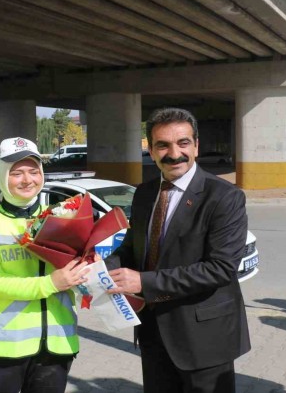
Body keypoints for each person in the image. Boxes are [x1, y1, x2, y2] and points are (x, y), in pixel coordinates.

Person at [105, 108, 250, 393]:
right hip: (153, 333)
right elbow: (133, 248)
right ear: (152, 150)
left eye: (183, 143)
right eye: (163, 145)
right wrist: (102, 267)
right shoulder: (145, 194)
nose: (174, 153)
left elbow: (220, 269)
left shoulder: (225, 197)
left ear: (196, 145)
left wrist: (142, 282)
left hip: (204, 340)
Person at [0, 137, 89, 393]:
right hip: (6, 346)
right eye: (16, 173)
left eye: (34, 171)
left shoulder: (62, 216)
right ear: (0, 175)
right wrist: (51, 283)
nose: (27, 180)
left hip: (57, 343)